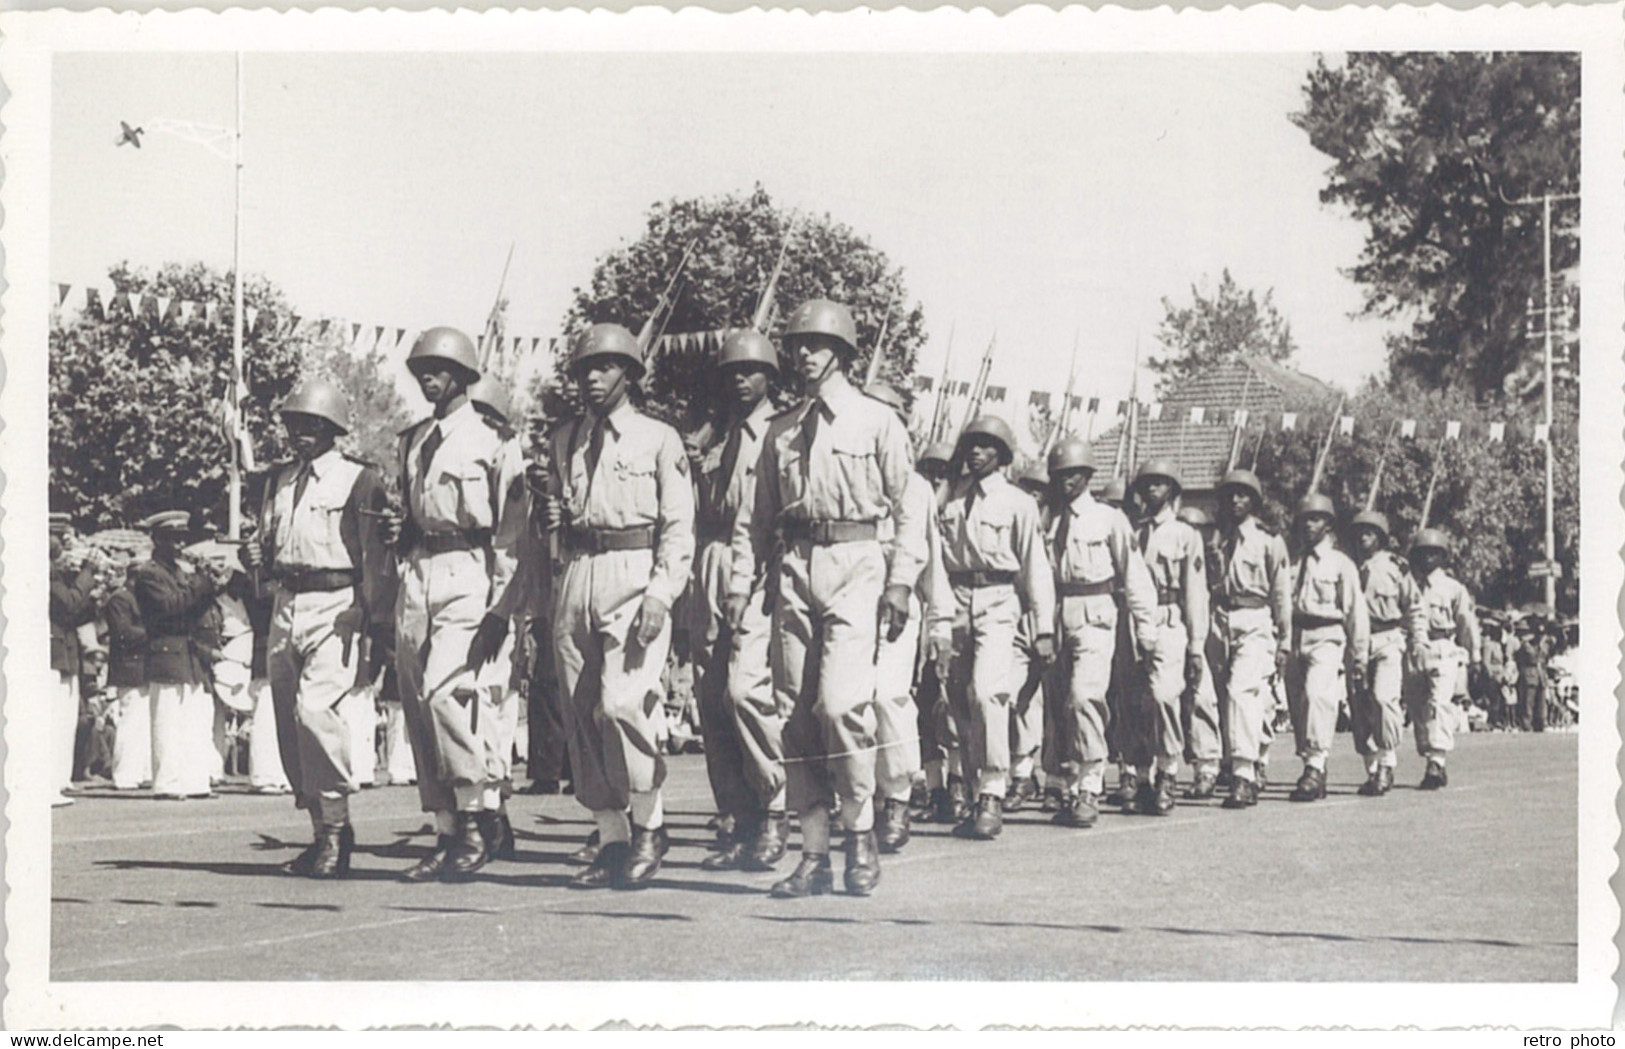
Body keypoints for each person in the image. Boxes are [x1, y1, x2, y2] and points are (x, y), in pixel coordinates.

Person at [727, 299, 918, 897]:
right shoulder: (780, 430)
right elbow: (753, 522)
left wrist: (901, 580)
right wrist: (740, 585)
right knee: (795, 716)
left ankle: (860, 833)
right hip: (795, 568)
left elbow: (910, 506)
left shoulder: (877, 421)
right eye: (797, 344)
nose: (804, 354)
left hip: (858, 563)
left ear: (842, 351)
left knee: (840, 708)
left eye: (816, 343)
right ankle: (813, 854)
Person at [546, 323, 693, 890]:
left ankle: (650, 825)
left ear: (630, 374)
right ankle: (611, 837)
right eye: (584, 369)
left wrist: (661, 593)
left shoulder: (659, 438)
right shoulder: (565, 439)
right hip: (579, 576)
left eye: (604, 368)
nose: (591, 378)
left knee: (623, 704)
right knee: (582, 712)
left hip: (635, 575)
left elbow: (679, 526)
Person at [385, 330, 527, 882]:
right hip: (418, 572)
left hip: (470, 571)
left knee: (448, 692)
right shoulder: (413, 440)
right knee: (419, 704)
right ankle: (445, 828)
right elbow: (411, 513)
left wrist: (500, 608)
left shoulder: (494, 440)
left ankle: (475, 820)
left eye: (440, 368)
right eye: (422, 367)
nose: (428, 376)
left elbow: (512, 533)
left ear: (464, 376)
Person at [242, 379, 393, 878]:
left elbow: (374, 553)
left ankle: (336, 830)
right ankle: (317, 829)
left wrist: (372, 615)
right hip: (287, 601)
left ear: (333, 429)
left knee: (315, 713)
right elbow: (268, 542)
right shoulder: (278, 480)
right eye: (293, 424)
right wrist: (255, 558)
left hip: (337, 604)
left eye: (312, 425)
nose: (299, 433)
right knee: (288, 718)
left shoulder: (358, 480)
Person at [691, 330, 791, 872]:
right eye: (731, 372)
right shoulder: (716, 435)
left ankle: (775, 806)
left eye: (751, 371)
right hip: (710, 558)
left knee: (745, 690)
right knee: (710, 701)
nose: (739, 380)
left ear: (770, 377)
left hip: (758, 559)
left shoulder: (782, 431)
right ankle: (738, 818)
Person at [937, 415, 1056, 843]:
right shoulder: (950, 499)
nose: (976, 452)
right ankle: (972, 792)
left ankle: (992, 790)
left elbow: (1036, 567)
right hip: (955, 602)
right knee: (959, 703)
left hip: (1000, 600)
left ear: (1002, 455)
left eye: (987, 446)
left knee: (989, 692)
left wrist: (1043, 628)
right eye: (971, 444)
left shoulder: (1018, 502)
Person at [1042, 439, 1154, 828]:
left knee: (1085, 696)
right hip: (1057, 614)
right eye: (1060, 475)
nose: (1066, 481)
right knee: (1058, 705)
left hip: (1096, 613)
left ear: (1088, 476)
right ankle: (1065, 784)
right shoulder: (1049, 519)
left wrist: (1146, 628)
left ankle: (1091, 783)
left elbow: (1134, 575)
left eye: (1074, 473)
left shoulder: (1108, 519)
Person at [862, 382, 951, 853]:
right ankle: (864, 799)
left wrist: (940, 625)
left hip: (898, 607)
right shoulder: (847, 475)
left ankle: (896, 795)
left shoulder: (916, 488)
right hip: (848, 600)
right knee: (847, 703)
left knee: (889, 697)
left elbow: (931, 562)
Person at [1125, 460, 1212, 813]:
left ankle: (1168, 771)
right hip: (1132, 620)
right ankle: (1140, 775)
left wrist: (1196, 645)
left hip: (1168, 617)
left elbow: (1195, 592)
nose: (1151, 490)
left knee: (1164, 696)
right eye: (1147, 484)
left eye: (1160, 484)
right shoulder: (1132, 532)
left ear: (1173, 491)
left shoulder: (1185, 535)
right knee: (1135, 700)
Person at [130, 510, 230, 800]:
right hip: (166, 650)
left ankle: (195, 779)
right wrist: (202, 582)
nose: (179, 546)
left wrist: (212, 585)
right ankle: (167, 782)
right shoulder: (149, 574)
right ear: (157, 540)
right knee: (167, 719)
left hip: (187, 653)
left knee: (194, 720)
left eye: (181, 539)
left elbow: (194, 609)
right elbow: (171, 606)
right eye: (173, 540)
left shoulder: (177, 572)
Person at [1208, 470, 1292, 810]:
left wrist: (1285, 639)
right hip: (1222, 620)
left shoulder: (1269, 539)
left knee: (1241, 692)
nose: (1235, 501)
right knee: (1238, 698)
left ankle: (1242, 774)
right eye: (1230, 495)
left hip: (1257, 619)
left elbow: (1281, 592)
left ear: (1254, 501)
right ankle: (1253, 761)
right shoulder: (1219, 538)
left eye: (1243, 495)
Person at [1282, 494, 1369, 802]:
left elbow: (1356, 611)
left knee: (1318, 696)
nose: (1309, 525)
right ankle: (1312, 765)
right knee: (1299, 705)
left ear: (1328, 524)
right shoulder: (1292, 562)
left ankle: (1315, 766)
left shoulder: (1340, 564)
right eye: (1304, 519)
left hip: (1327, 636)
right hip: (1295, 636)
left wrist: (1360, 656)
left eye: (1316, 519)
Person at [1347, 510, 1424, 796]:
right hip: (1356, 642)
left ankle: (1387, 762)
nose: (1363, 537)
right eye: (1360, 532)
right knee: (1359, 707)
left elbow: (1414, 606)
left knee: (1383, 698)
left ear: (1381, 537)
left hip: (1388, 637)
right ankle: (1372, 767)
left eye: (1370, 532)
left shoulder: (1395, 567)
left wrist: (1417, 643)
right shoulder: (1347, 566)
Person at [914, 441, 967, 825]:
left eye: (943, 471)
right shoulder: (913, 509)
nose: (936, 478)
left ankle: (961, 783)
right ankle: (935, 789)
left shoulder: (958, 513)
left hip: (953, 613)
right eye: (930, 470)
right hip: (916, 612)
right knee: (921, 709)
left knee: (954, 706)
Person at [1405, 528, 1480, 788]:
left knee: (1439, 704)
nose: (1428, 558)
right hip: (1413, 649)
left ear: (1443, 557)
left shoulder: (1453, 588)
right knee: (1417, 707)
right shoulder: (1407, 584)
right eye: (1423, 553)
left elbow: (1466, 624)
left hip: (1442, 646)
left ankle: (1436, 761)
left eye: (1434, 553)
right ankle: (1430, 752)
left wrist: (1473, 655)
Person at [1006, 462, 1053, 810]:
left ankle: (1062, 779)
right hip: (1020, 617)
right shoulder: (1017, 524)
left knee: (1063, 702)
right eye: (1029, 489)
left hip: (1063, 619)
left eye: (1041, 491)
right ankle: (1023, 774)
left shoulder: (1062, 529)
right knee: (1019, 698)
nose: (1034, 496)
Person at [1176, 505, 1229, 796]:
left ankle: (1211, 765)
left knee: (1205, 697)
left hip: (1211, 633)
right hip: (1176, 629)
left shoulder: (1213, 558)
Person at [50, 514, 100, 805]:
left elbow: (78, 611)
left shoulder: (57, 573)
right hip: (53, 651)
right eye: (61, 538)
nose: (67, 544)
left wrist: (87, 584)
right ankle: (48, 782)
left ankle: (58, 779)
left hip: (66, 653)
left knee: (65, 720)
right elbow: (67, 603)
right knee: (53, 718)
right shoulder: (45, 571)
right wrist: (87, 573)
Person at [103, 569, 152, 790]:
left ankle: (142, 771)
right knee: (131, 722)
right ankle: (125, 774)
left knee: (143, 723)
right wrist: (152, 633)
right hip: (129, 667)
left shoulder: (138, 599)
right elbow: (122, 632)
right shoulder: (119, 599)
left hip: (143, 667)